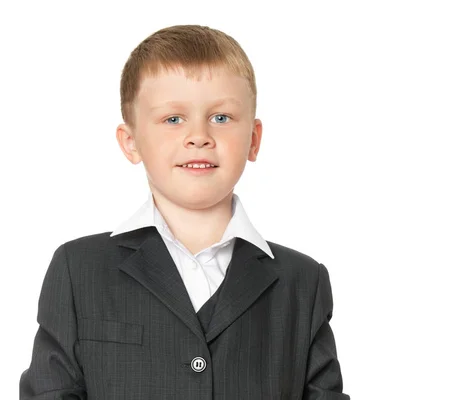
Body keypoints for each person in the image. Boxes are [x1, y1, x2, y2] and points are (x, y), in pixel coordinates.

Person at [19, 24, 349, 399]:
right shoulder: (78, 270)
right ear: (131, 143)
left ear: (253, 141)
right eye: (173, 119)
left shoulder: (302, 283)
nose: (199, 136)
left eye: (221, 117)